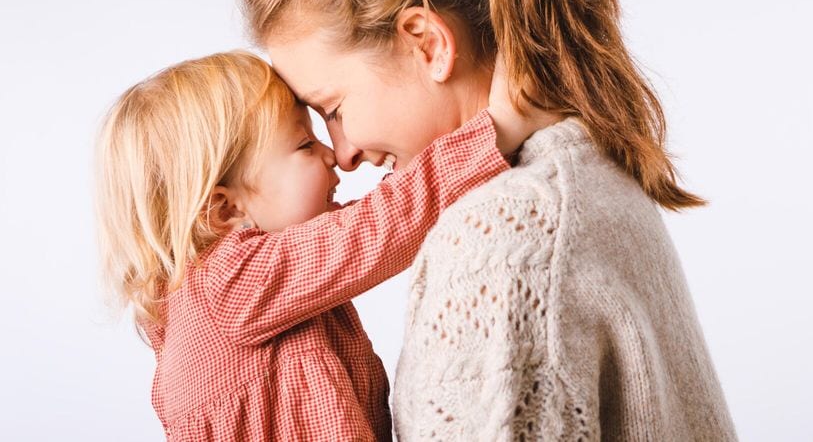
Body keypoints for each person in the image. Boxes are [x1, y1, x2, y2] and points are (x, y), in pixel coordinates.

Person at [240, 0, 737, 440]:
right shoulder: (584, 160)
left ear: (428, 43)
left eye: (335, 108)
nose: (342, 154)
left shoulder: (501, 233)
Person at [95, 50, 540, 441]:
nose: (333, 154)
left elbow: (373, 215)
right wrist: (497, 128)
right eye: (305, 144)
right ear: (226, 210)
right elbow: (379, 225)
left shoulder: (235, 290)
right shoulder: (230, 285)